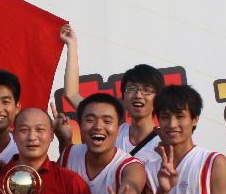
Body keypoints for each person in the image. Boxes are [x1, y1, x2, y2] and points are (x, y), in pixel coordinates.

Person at [59, 24, 165, 165]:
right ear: (123, 97)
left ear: (158, 98)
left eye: (146, 89)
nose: (138, 95)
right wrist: (71, 45)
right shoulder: (113, 130)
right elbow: (71, 94)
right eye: (131, 88)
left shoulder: (164, 144)